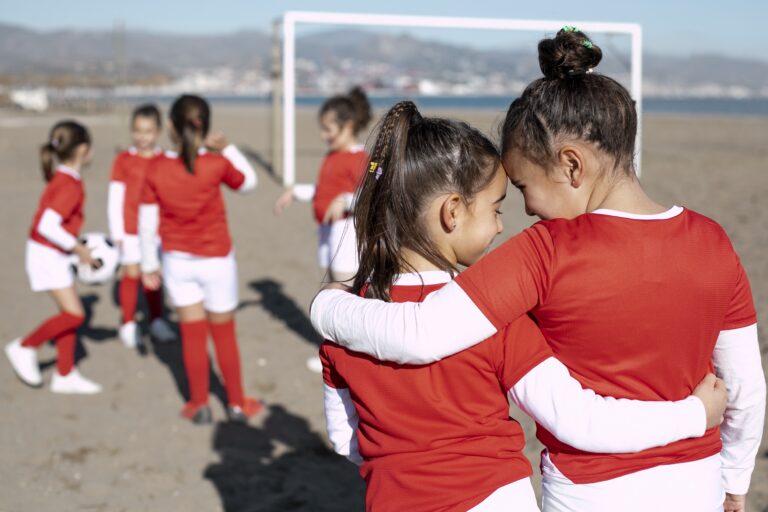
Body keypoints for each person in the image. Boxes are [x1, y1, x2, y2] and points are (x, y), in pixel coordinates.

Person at [310, 29, 765, 512]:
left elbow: (421, 333)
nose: (525, 210)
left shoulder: (543, 251)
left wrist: (327, 304)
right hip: (699, 479)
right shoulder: (714, 240)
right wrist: (735, 477)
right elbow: (745, 385)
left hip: (589, 489)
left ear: (572, 166)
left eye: (524, 185)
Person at [139, 94, 261, 424]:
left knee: (192, 335)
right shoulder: (216, 163)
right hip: (217, 262)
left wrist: (149, 265)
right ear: (205, 127)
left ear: (170, 127)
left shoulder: (156, 167)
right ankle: (236, 403)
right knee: (224, 334)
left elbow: (147, 224)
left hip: (177, 263)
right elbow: (249, 183)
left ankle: (199, 403)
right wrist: (227, 148)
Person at [274, 86, 372, 373]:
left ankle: (339, 353)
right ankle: (340, 352)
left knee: (339, 294)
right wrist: (296, 191)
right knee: (337, 292)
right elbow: (324, 190)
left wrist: (345, 201)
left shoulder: (363, 158)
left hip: (348, 235)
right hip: (328, 235)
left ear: (348, 126)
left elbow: (372, 194)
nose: (323, 135)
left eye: (328, 129)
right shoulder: (332, 156)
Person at [5, 120, 102, 394]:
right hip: (46, 255)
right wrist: (78, 248)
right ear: (83, 149)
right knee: (75, 315)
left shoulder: (65, 178)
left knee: (69, 313)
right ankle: (24, 346)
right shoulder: (68, 184)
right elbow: (47, 225)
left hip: (53, 254)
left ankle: (65, 373)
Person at [108, 104, 175, 348]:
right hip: (129, 230)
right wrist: (117, 233)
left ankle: (157, 320)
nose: (142, 137)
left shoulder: (167, 160)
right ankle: (127, 323)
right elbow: (115, 198)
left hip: (157, 233)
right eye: (137, 131)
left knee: (154, 274)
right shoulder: (123, 160)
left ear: (158, 131)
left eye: (147, 131)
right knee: (132, 274)